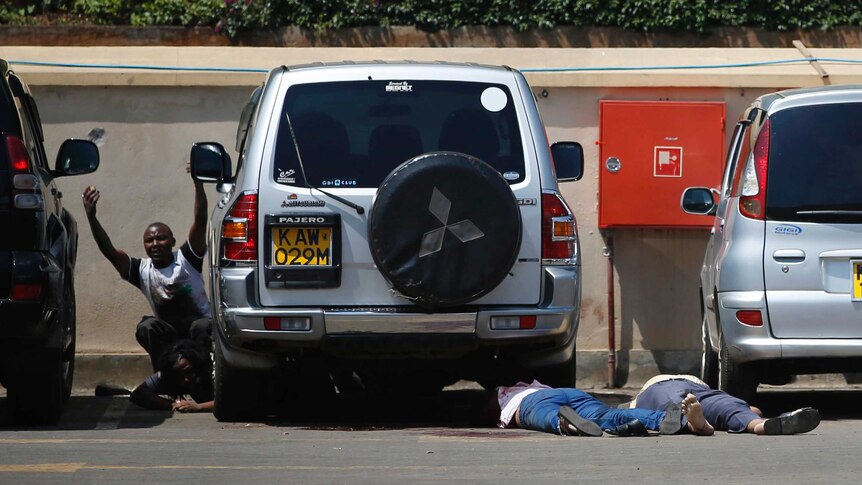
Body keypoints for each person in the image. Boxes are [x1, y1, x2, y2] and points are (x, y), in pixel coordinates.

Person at [82, 163, 212, 370]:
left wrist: (198, 184)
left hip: (199, 332)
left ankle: (206, 376)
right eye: (149, 241)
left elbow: (201, 219)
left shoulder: (188, 258)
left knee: (203, 325)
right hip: (170, 337)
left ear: (172, 241)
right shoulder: (142, 270)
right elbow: (110, 252)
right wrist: (91, 218)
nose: (154, 244)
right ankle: (165, 378)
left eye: (160, 238)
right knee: (147, 326)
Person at [489, 380, 714, 437]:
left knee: (544, 417)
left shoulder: (504, 394)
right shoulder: (529, 384)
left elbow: (487, 409)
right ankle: (672, 419)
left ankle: (564, 424)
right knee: (610, 414)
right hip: (570, 393)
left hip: (531, 403)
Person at [628, 374, 820, 435]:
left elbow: (628, 411)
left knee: (674, 406)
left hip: (660, 388)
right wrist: (748, 411)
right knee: (730, 406)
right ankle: (759, 424)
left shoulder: (642, 395)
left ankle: (697, 425)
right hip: (701, 388)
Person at [130, 339, 213, 412]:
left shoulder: (214, 370)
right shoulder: (169, 374)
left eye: (188, 371)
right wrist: (173, 405)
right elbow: (139, 394)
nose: (186, 379)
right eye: (179, 376)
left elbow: (225, 402)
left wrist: (200, 407)